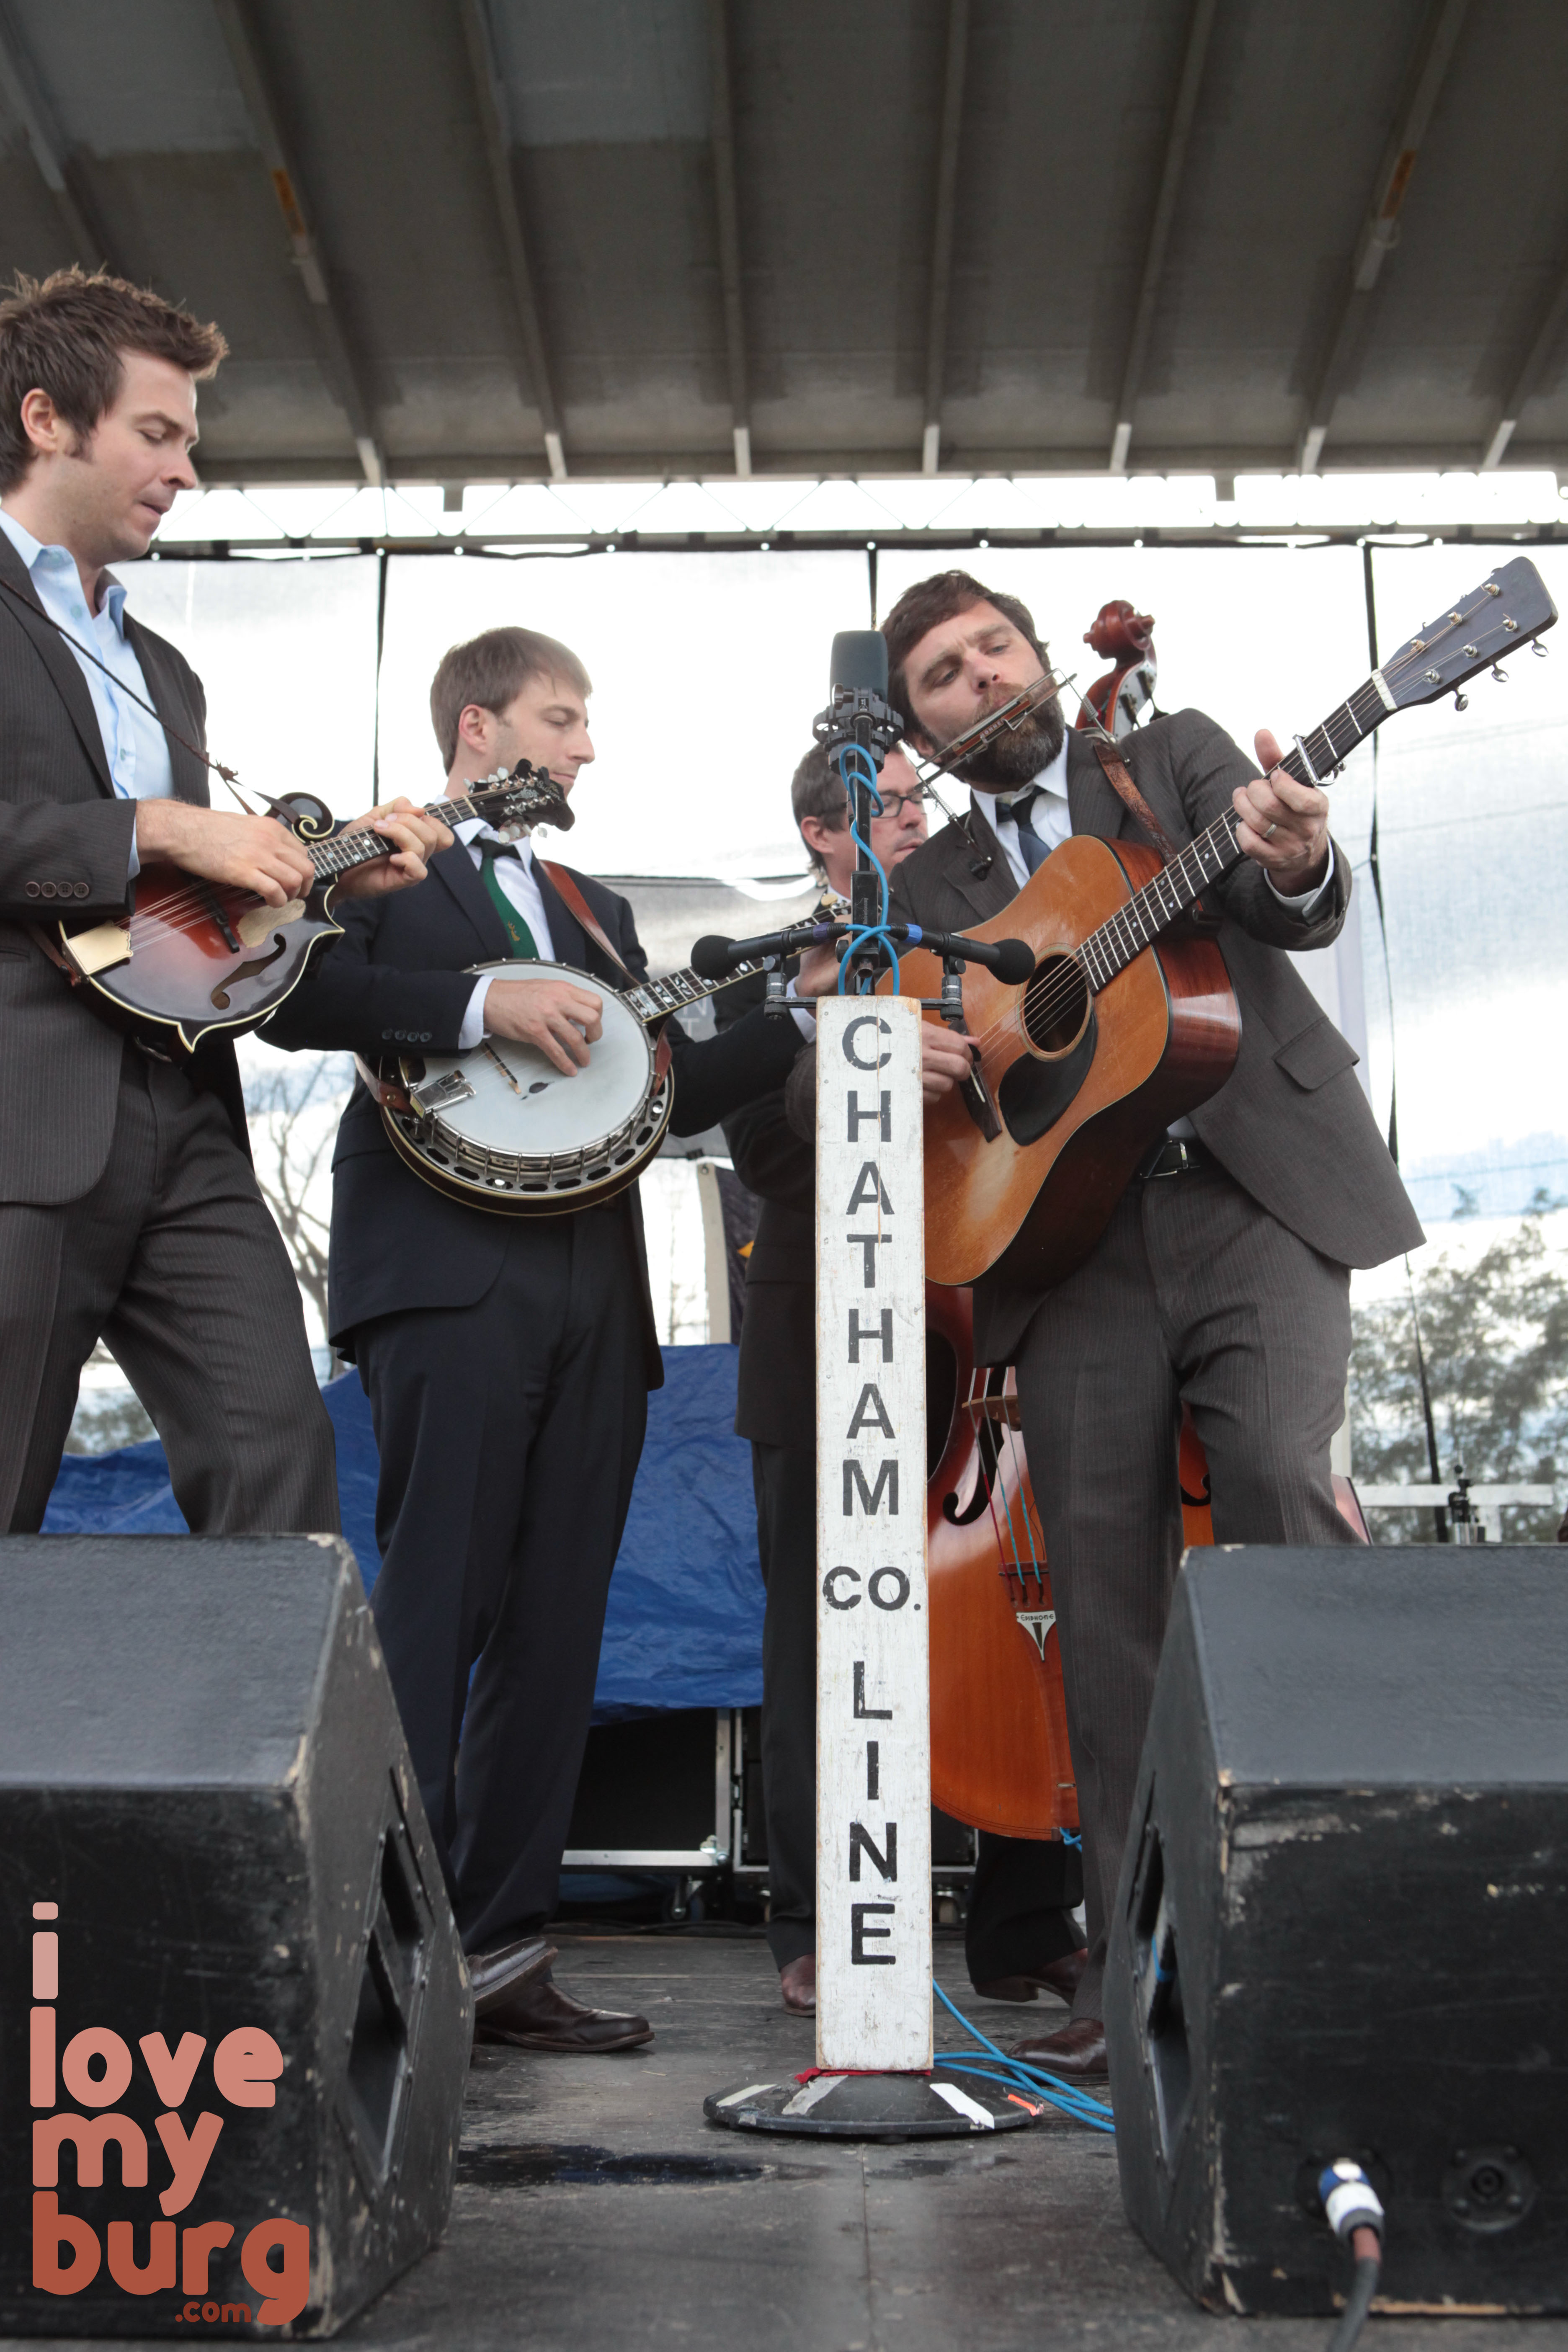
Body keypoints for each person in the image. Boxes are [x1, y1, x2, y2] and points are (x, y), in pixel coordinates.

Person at [787, 570, 1421, 2076]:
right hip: (1070, 1251)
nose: (981, 677)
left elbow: (1284, 900)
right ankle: (1142, 1968)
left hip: (1254, 1196)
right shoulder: (923, 885)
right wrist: (879, 1060)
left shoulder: (1168, 759)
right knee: (1102, 1599)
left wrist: (1302, 853)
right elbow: (825, 1076)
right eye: (943, 674)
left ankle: (1342, 1907)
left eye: (995, 647)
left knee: (1281, 1483)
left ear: (1035, 657)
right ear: (921, 728)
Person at [265, 623, 808, 2054]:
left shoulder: (594, 906)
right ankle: (371, 1952)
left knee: (559, 1630)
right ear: (479, 728)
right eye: (562, 719)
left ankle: (502, 1955)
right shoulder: (380, 859)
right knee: (435, 1611)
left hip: (596, 1291)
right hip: (444, 1275)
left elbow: (665, 1098)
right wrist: (479, 1001)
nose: (585, 747)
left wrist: (806, 1017)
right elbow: (292, 995)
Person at [0, 267, 444, 1540]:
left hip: (188, 1118)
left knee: (279, 1460)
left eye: (189, 441)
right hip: (25, 1119)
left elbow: (172, 924)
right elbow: (134, 851)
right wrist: (155, 825)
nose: (187, 471)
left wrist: (317, 882)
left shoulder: (164, 670)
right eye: (158, 433)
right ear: (46, 419)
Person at [720, 742, 1085, 2016]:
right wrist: (863, 1073)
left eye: (926, 802)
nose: (921, 824)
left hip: (984, 1329)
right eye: (892, 810)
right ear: (823, 836)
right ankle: (816, 1919)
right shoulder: (772, 971)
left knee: (1020, 1604)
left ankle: (1027, 1919)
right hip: (825, 1337)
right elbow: (762, 1154)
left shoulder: (987, 942)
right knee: (819, 1632)